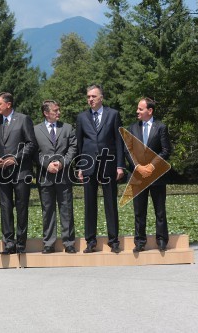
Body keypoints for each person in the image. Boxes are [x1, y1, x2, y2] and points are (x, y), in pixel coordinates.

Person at [76, 84, 125, 254]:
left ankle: (113, 241)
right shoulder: (81, 117)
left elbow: (119, 141)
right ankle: (90, 241)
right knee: (90, 204)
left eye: (93, 96)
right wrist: (80, 167)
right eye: (88, 96)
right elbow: (79, 144)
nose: (90, 99)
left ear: (101, 97)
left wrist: (120, 165)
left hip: (109, 164)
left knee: (111, 203)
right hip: (88, 165)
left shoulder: (113, 114)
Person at [0, 92, 36, 254]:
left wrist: (15, 158)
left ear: (8, 104)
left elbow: (31, 144)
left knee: (21, 207)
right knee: (5, 207)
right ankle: (9, 244)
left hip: (21, 172)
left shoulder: (23, 119)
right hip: (2, 172)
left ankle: (21, 244)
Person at [124, 97, 171, 252]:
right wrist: (138, 167)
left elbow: (165, 151)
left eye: (140, 109)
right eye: (138, 108)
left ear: (150, 111)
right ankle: (139, 242)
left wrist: (151, 166)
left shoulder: (161, 127)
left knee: (160, 210)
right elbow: (128, 151)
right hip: (138, 176)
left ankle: (162, 240)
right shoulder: (132, 128)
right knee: (139, 211)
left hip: (156, 176)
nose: (137, 111)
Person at [34, 100, 77, 254]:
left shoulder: (67, 128)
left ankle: (69, 242)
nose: (59, 113)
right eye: (55, 110)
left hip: (64, 175)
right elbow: (35, 152)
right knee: (48, 210)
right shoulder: (35, 130)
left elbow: (73, 148)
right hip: (45, 176)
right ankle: (48, 243)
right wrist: (47, 164)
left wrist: (62, 163)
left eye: (59, 110)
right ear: (46, 113)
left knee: (66, 208)